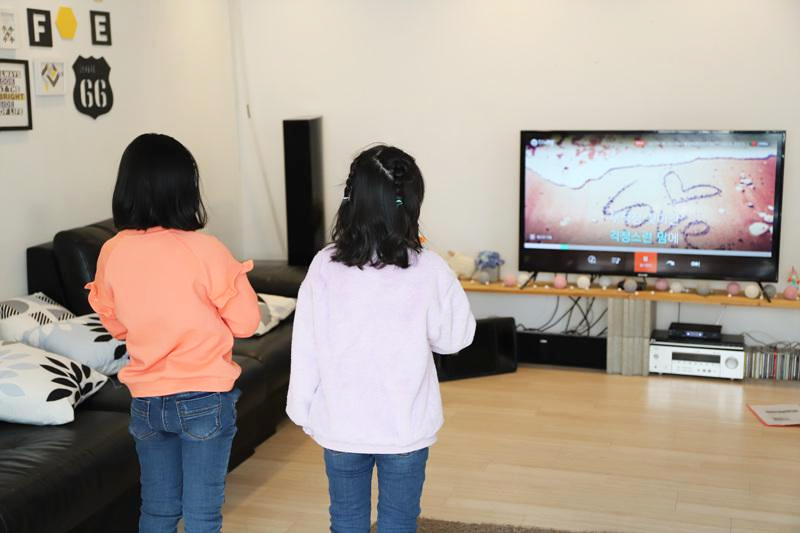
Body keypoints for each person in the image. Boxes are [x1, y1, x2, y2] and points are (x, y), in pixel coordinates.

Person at [287, 144, 476, 532]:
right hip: (405, 427)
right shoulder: (430, 268)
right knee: (398, 522)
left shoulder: (324, 265)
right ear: (411, 204)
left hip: (341, 425)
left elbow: (306, 344)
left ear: (350, 201)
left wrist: (302, 409)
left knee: (346, 520)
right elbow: (455, 338)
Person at [86, 133, 260, 533]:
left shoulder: (112, 251)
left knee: (158, 511)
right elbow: (247, 322)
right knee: (202, 516)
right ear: (185, 188)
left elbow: (115, 325)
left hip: (146, 401)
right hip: (203, 398)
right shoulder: (204, 249)